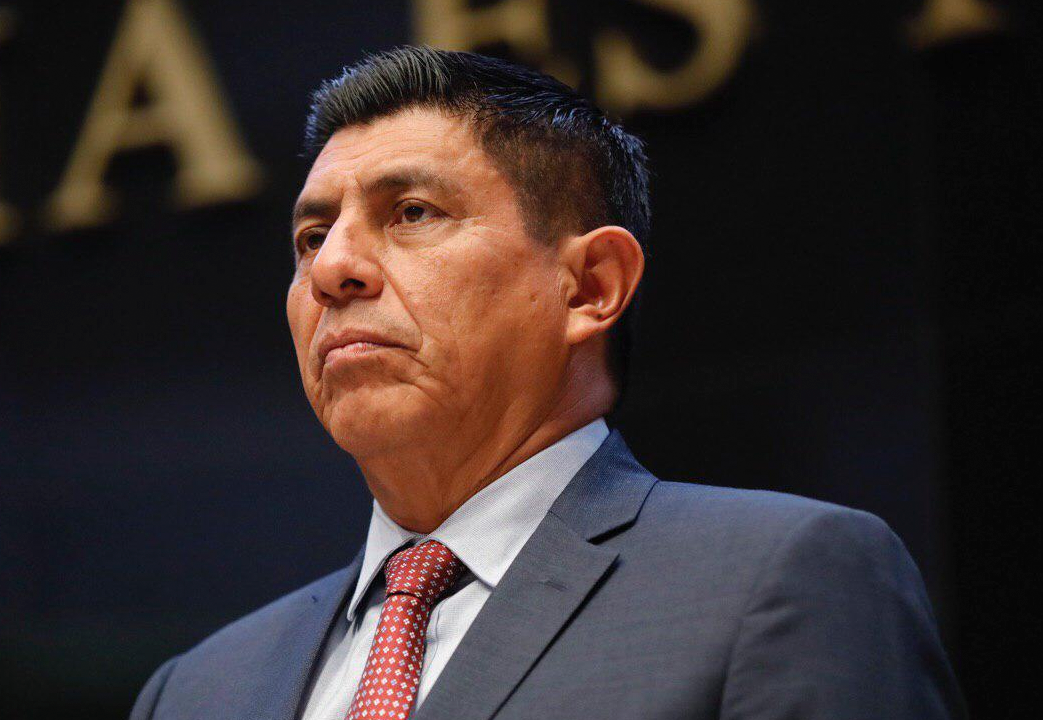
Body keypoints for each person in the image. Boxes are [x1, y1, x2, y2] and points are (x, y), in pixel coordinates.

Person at [129, 46, 965, 720]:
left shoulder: (779, 582)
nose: (332, 268)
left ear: (591, 287)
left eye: (412, 212)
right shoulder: (197, 691)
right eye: (312, 236)